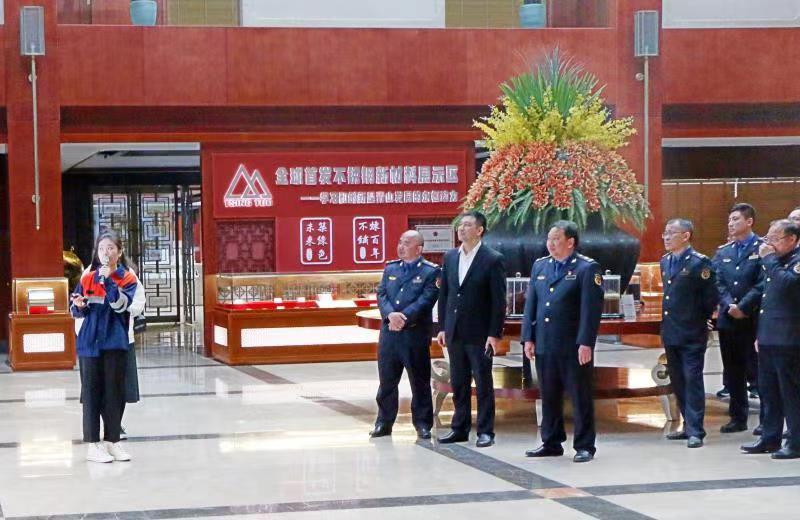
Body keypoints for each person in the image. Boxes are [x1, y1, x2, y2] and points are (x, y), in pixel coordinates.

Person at [521, 221, 603, 463]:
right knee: (548, 394)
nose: (551, 243)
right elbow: (531, 304)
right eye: (549, 239)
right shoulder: (540, 265)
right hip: (545, 342)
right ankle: (551, 441)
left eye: (556, 239)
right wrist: (528, 337)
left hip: (573, 345)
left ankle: (585, 445)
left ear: (571, 242)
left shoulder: (587, 268)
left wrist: (586, 342)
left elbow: (591, 310)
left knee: (579, 395)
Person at [436, 211, 506, 448]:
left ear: (479, 230)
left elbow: (498, 301)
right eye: (460, 225)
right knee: (459, 382)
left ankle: (486, 431)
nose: (461, 229)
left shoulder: (492, 259)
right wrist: (442, 327)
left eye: (467, 225)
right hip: (455, 331)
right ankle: (459, 427)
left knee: (483, 383)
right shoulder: (450, 257)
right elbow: (445, 294)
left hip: (480, 333)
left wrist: (494, 334)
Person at [71, 231, 140, 463]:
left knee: (114, 393)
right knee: (91, 394)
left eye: (110, 248)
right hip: (90, 343)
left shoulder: (128, 278)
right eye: (101, 249)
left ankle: (113, 442)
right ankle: (93, 445)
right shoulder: (87, 277)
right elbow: (76, 310)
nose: (105, 253)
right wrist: (79, 305)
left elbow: (121, 306)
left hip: (115, 341)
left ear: (119, 252)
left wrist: (109, 280)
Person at [370, 230, 440, 440]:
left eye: (407, 243)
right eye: (400, 242)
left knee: (419, 382)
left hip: (414, 334)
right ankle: (384, 422)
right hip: (390, 334)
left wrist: (403, 318)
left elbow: (427, 299)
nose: (401, 246)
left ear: (419, 248)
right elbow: (382, 294)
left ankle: (423, 424)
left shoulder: (431, 271)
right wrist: (390, 315)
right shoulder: (391, 268)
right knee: (387, 381)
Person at [741, 219, 800, 459]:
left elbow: (788, 285)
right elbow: (768, 302)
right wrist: (760, 334)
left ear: (792, 239)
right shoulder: (776, 262)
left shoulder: (795, 262)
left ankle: (795, 442)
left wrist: (769, 259)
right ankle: (769, 437)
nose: (769, 244)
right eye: (768, 238)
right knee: (769, 392)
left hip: (789, 338)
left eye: (775, 239)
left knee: (791, 394)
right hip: (768, 337)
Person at [660, 218, 718, 448]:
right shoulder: (665, 261)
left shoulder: (699, 263)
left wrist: (700, 320)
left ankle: (696, 430)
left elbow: (709, 298)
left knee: (692, 379)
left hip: (692, 331)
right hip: (671, 330)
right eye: (665, 233)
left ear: (686, 236)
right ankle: (686, 425)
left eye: (671, 233)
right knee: (678, 380)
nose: (666, 237)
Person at [712, 203, 764, 434]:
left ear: (749, 221)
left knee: (759, 371)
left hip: (753, 319)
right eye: (730, 220)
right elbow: (717, 281)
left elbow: (762, 283)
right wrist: (728, 305)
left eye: (736, 219)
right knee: (733, 370)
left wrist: (743, 307)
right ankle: (737, 416)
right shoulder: (724, 251)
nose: (731, 224)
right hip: (729, 319)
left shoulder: (762, 248)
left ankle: (766, 420)